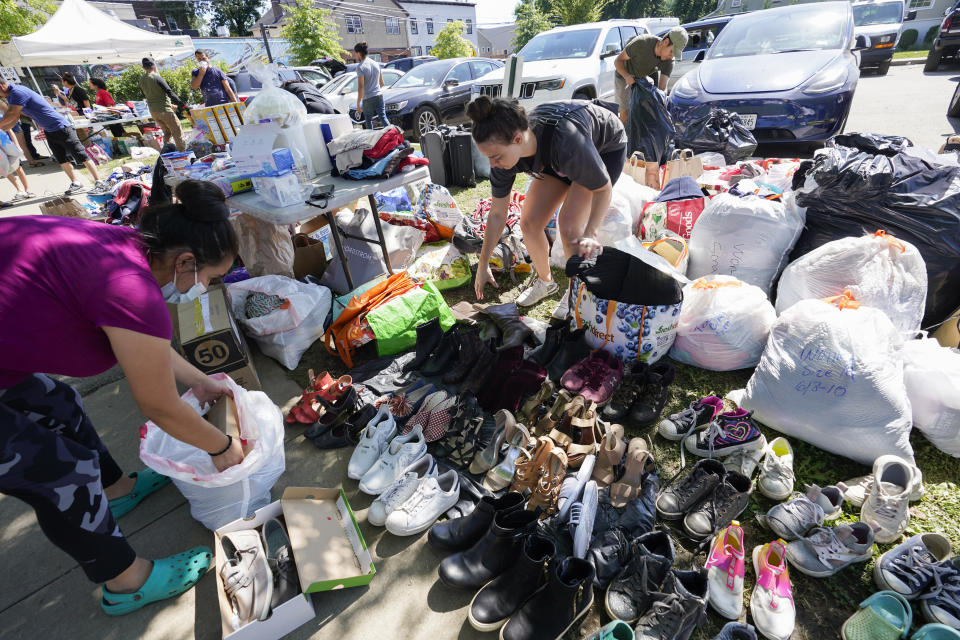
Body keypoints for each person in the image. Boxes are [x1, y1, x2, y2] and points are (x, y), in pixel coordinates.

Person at [0, 179, 243, 616]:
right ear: (186, 262)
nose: (205, 288)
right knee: (58, 471)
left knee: (59, 403)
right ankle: (126, 582)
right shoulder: (131, 288)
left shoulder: (125, 247)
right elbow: (158, 405)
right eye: (210, 278)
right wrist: (222, 447)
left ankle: (115, 489)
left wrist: (199, 381)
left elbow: (141, 343)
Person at [467, 96, 627, 307]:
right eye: (487, 157)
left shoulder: (567, 141)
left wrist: (591, 232)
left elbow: (603, 189)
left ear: (517, 139)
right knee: (529, 223)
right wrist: (482, 264)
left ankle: (578, 296)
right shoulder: (506, 158)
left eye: (496, 157)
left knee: (569, 226)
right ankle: (546, 282)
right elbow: (497, 214)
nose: (492, 165)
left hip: (604, 148)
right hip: (555, 158)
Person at [0, 81, 106, 195]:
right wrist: (2, 129)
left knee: (81, 155)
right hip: (49, 130)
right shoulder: (11, 96)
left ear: (1, 86)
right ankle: (76, 183)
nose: (0, 96)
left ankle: (99, 182)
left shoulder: (17, 92)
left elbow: (11, 113)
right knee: (61, 159)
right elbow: (15, 118)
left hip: (61, 127)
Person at [614, 26, 689, 123]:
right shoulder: (641, 43)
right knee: (625, 111)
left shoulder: (669, 61)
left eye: (674, 54)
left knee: (645, 109)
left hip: (641, 76)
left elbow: (662, 88)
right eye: (671, 51)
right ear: (665, 42)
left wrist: (660, 106)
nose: (672, 56)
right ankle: (623, 136)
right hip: (624, 73)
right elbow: (618, 61)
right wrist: (627, 76)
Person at [139, 58, 186, 152]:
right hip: (165, 110)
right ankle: (183, 153)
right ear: (154, 66)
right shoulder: (156, 77)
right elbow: (170, 92)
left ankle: (166, 153)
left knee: (167, 133)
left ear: (143, 67)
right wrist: (183, 105)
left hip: (153, 111)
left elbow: (146, 95)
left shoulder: (141, 80)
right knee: (177, 132)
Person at [353, 42, 387, 129]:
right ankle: (394, 136)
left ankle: (371, 141)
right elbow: (382, 83)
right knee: (383, 118)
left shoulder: (360, 67)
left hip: (368, 98)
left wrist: (358, 103)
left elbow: (361, 87)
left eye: (355, 54)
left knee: (368, 121)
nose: (355, 56)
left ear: (358, 53)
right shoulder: (376, 63)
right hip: (379, 96)